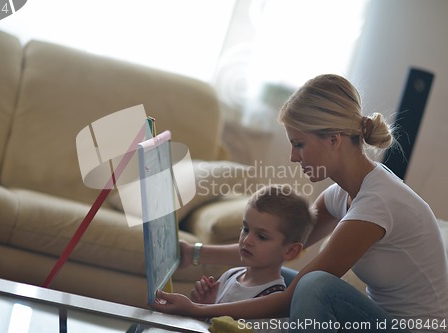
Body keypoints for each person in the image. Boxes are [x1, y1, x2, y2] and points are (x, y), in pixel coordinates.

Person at [152, 74, 448, 333]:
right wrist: (194, 253)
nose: (294, 157)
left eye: (299, 144)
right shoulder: (341, 194)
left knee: (312, 286)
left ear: (334, 139)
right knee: (274, 270)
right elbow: (280, 245)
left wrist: (194, 309)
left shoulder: (377, 203)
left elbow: (293, 296)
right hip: (377, 319)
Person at [189, 184, 314, 332]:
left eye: (261, 236)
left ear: (290, 251)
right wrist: (205, 307)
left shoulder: (274, 308)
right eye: (246, 229)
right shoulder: (229, 276)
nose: (247, 240)